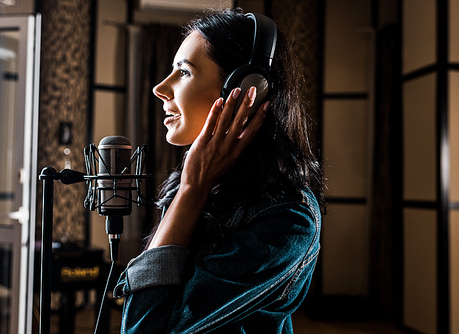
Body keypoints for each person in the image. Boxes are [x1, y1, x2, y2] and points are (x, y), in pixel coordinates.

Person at [113, 8, 324, 333]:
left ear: (245, 89)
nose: (160, 87)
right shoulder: (202, 186)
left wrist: (190, 191)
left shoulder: (289, 220)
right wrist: (189, 190)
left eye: (183, 72)